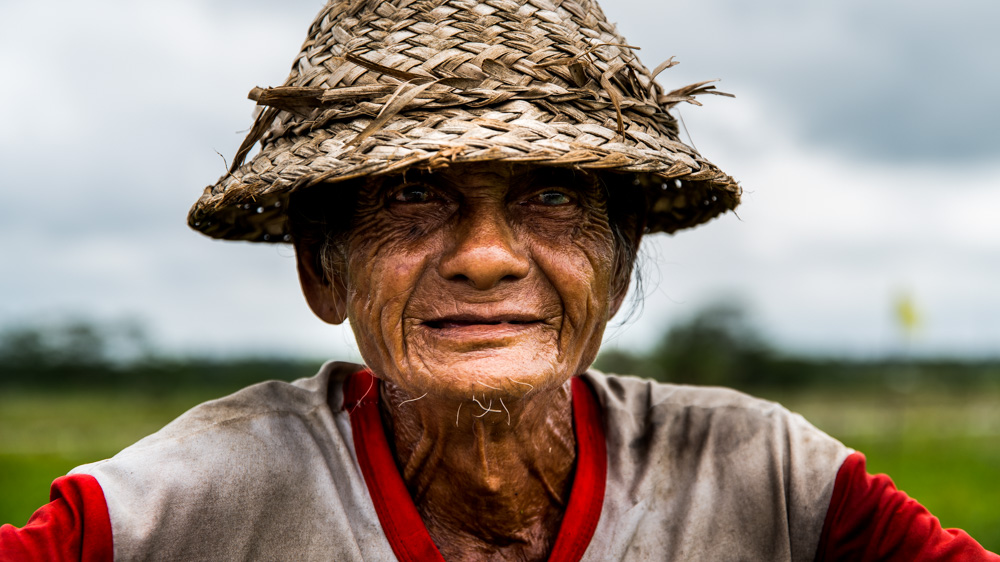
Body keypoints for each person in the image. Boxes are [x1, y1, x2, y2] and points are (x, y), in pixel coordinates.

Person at [2, 0, 997, 560]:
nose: (486, 255)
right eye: (412, 197)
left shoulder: (773, 485)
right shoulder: (174, 507)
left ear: (619, 258)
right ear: (321, 267)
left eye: (552, 197)